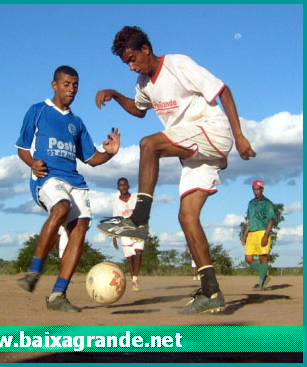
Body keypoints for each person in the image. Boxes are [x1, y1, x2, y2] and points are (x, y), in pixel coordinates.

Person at [96, 26, 256, 314]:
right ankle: (211, 291)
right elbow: (139, 109)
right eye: (126, 63)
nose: (131, 67)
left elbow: (223, 91)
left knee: (149, 144)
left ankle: (139, 218)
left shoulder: (178, 64)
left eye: (133, 59)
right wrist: (116, 95)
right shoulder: (144, 84)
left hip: (212, 131)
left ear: (146, 49)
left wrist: (240, 136)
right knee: (186, 216)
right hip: (195, 154)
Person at [15, 65, 120, 312]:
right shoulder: (37, 111)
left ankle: (58, 295)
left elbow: (91, 158)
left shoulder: (76, 122)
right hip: (48, 177)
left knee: (80, 226)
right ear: (54, 85)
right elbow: (21, 147)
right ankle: (34, 271)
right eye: (66, 84)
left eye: (75, 85)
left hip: (75, 181)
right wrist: (32, 162)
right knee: (61, 208)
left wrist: (110, 153)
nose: (71, 89)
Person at [241, 180, 276, 291]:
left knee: (262, 257)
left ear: (262, 189)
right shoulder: (251, 203)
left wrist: (266, 235)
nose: (256, 191)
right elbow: (250, 220)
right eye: (254, 189)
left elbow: (271, 220)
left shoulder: (267, 203)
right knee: (248, 258)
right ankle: (264, 275)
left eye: (258, 189)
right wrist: (245, 235)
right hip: (252, 232)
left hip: (262, 231)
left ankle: (260, 282)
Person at [112, 177, 145, 291]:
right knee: (130, 258)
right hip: (125, 232)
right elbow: (116, 220)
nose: (123, 187)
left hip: (137, 229)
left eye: (125, 184)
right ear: (118, 188)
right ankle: (133, 280)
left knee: (139, 253)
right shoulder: (116, 203)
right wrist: (114, 237)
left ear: (128, 186)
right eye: (121, 185)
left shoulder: (135, 197)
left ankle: (135, 278)